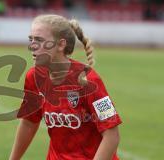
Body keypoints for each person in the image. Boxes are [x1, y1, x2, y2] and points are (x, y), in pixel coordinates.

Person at [9, 14, 122, 160]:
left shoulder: (89, 80)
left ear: (61, 45)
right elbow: (29, 122)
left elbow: (112, 135)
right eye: (31, 40)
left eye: (39, 40)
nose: (32, 46)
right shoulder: (34, 77)